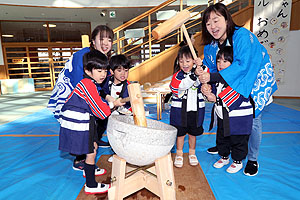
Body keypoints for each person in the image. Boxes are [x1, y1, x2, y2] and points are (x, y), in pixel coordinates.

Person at [199, 3, 277, 176]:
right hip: (229, 83)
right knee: (222, 111)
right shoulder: (211, 46)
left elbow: (243, 65)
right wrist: (208, 86)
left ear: (226, 19)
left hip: (254, 78)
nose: (212, 26)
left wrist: (212, 78)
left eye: (216, 20)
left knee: (253, 118)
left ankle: (252, 158)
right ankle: (224, 147)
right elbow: (212, 69)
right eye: (208, 23)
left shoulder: (242, 36)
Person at [47, 25, 114, 170]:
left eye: (109, 39)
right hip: (71, 94)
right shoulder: (82, 56)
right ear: (93, 41)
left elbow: (102, 85)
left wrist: (107, 97)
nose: (105, 43)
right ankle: (80, 158)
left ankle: (95, 140)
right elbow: (81, 86)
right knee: (80, 124)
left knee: (100, 118)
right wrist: (101, 102)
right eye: (101, 39)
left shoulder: (102, 57)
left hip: (87, 93)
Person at [58, 50, 124, 194]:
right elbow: (101, 112)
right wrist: (114, 104)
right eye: (99, 70)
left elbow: (95, 102)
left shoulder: (88, 83)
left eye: (105, 70)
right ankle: (91, 184)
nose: (103, 74)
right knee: (91, 151)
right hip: (79, 122)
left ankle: (89, 169)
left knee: (92, 147)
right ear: (88, 70)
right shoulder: (87, 85)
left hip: (84, 120)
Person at [203, 46, 253, 173]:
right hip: (223, 115)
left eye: (225, 61)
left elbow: (232, 98)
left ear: (234, 63)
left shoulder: (240, 79)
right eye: (219, 61)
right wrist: (206, 91)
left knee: (238, 139)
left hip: (239, 117)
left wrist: (214, 98)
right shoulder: (219, 79)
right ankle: (224, 156)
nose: (220, 64)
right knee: (222, 137)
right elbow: (214, 93)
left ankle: (238, 160)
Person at [169, 45, 206, 168]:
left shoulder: (200, 70)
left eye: (188, 60)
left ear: (194, 61)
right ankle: (179, 154)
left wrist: (201, 65)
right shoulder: (177, 76)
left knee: (192, 133)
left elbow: (205, 76)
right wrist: (194, 74)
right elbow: (180, 87)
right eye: (181, 61)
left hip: (195, 110)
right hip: (180, 111)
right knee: (180, 134)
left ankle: (192, 153)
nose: (184, 64)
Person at [99, 54, 132, 162]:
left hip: (122, 116)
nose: (123, 73)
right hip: (108, 114)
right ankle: (116, 153)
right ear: (112, 71)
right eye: (119, 70)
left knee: (123, 135)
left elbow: (128, 105)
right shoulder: (106, 81)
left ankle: (122, 154)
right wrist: (107, 97)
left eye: (126, 70)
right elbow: (100, 91)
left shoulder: (128, 86)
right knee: (112, 134)